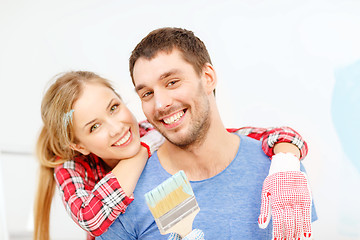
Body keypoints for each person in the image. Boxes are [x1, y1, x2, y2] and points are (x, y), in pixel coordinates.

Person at [98, 27, 317, 240]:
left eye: (172, 82)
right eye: (147, 93)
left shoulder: (280, 173)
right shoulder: (127, 194)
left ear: (208, 77)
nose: (160, 103)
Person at [34, 71, 308, 240]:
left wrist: (285, 160)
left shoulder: (149, 131)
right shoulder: (71, 166)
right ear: (79, 145)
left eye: (114, 107)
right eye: (94, 127)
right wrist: (139, 154)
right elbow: (91, 218)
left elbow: (247, 135)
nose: (117, 127)